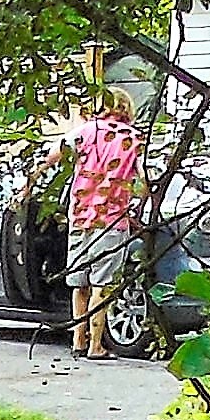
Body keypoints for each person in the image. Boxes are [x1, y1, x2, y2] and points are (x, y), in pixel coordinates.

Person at [66, 77, 146, 357]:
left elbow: (51, 156)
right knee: (102, 284)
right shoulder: (133, 139)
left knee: (80, 284)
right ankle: (96, 346)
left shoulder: (84, 132)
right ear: (126, 108)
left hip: (79, 217)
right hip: (111, 221)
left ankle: (78, 342)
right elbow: (146, 180)